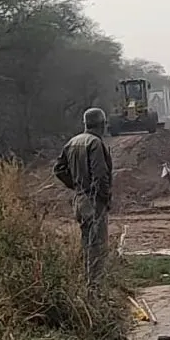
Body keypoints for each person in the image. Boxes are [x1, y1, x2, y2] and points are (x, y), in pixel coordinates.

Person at [53, 107, 113, 288]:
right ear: (102, 124)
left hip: (79, 201)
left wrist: (76, 185)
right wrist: (103, 198)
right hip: (93, 202)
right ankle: (95, 291)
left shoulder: (73, 142)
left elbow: (58, 169)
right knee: (98, 248)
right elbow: (100, 175)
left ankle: (88, 285)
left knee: (87, 245)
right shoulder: (95, 143)